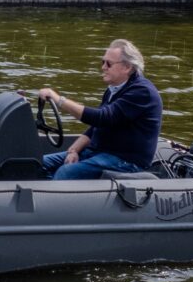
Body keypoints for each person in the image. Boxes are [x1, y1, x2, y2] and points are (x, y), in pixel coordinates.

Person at [37, 39, 163, 180]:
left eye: (108, 63)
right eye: (102, 62)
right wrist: (73, 150)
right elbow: (96, 126)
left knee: (65, 172)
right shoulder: (113, 89)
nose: (103, 67)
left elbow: (102, 117)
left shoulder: (142, 92)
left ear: (127, 67)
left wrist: (59, 100)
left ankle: (55, 195)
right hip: (100, 152)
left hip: (126, 160)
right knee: (39, 164)